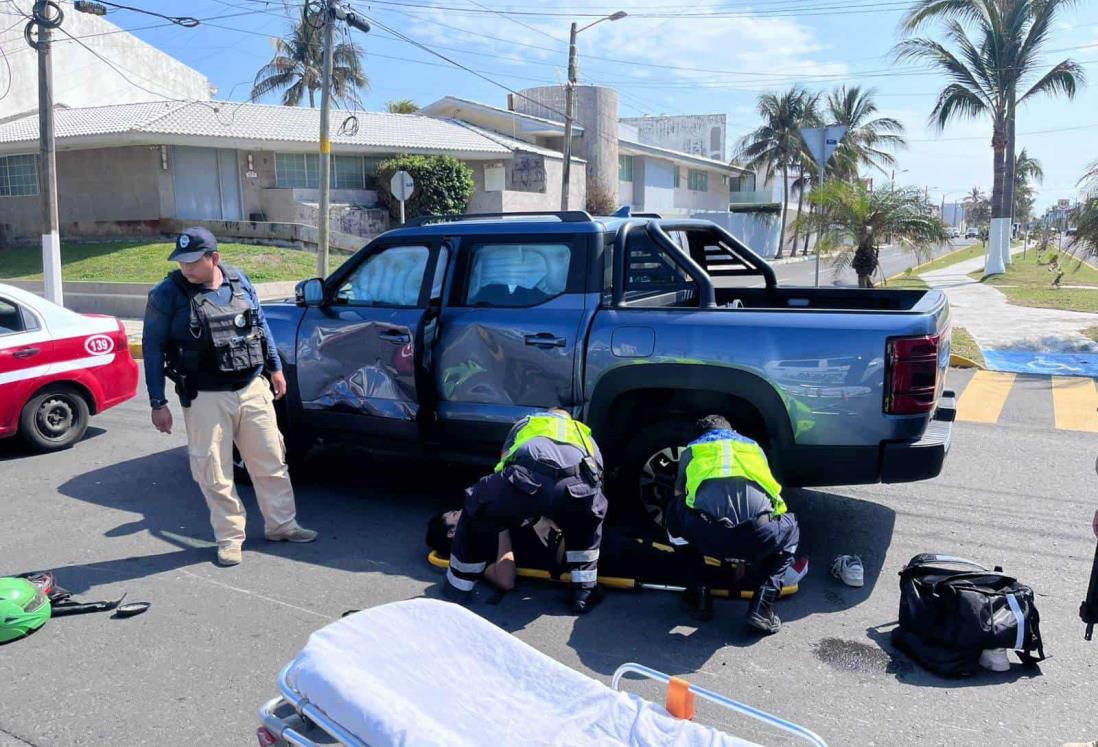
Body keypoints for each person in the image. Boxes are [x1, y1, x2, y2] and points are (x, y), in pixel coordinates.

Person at [143, 228, 316, 567]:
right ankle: (230, 538)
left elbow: (260, 324)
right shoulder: (168, 294)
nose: (186, 269)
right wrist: (157, 402)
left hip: (251, 387)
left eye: (193, 262)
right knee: (215, 472)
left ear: (214, 258)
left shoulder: (238, 280)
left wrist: (275, 368)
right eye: (181, 262)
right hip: (205, 396)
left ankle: (282, 525)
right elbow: (151, 348)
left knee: (270, 461)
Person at [444, 409, 607, 613]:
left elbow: (504, 463)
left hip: (530, 478)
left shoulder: (530, 422)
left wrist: (525, 513)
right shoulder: (584, 433)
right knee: (589, 518)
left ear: (547, 414)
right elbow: (596, 479)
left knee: (477, 501)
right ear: (569, 419)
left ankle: (458, 590)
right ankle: (584, 592)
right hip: (579, 489)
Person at [427, 509, 809, 595]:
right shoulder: (472, 557)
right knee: (669, 562)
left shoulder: (490, 518)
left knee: (665, 543)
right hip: (586, 554)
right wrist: (500, 533)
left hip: (586, 534)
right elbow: (507, 579)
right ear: (450, 535)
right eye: (455, 519)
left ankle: (749, 565)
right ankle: (756, 577)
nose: (462, 515)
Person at [665, 414, 800, 635]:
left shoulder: (693, 449)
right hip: (759, 534)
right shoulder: (754, 448)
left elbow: (679, 492)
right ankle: (762, 606)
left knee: (674, 511)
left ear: (700, 436)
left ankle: (699, 594)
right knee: (791, 528)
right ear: (733, 431)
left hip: (707, 532)